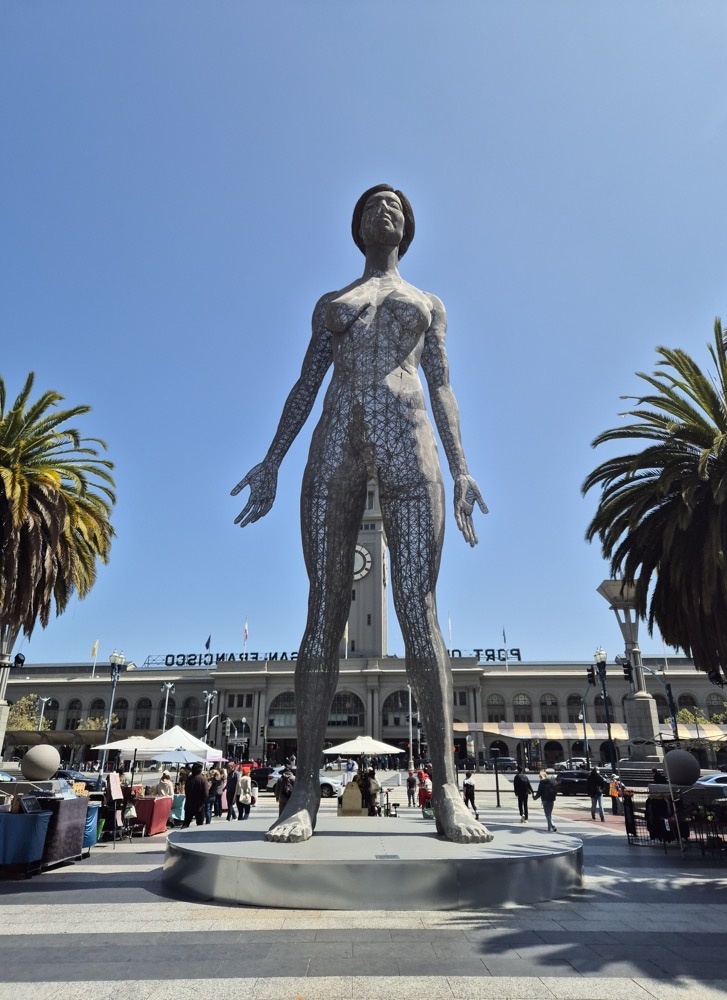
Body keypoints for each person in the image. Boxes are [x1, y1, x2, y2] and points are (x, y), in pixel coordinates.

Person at [233, 184, 489, 845]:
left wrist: (462, 468)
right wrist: (272, 459)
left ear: (408, 228)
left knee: (418, 607)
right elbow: (305, 383)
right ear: (357, 226)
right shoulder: (333, 303)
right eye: (374, 204)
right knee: (323, 607)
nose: (386, 209)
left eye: (397, 205)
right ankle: (303, 794)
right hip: (335, 446)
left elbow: (443, 385)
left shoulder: (427, 303)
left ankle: (447, 791)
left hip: (411, 444)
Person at [182, 762, 209, 828]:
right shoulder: (203, 779)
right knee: (199, 824)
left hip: (189, 803)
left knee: (186, 823)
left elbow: (186, 791)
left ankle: (181, 833)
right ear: (200, 770)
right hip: (199, 804)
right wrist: (202, 802)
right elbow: (206, 794)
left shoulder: (189, 779)